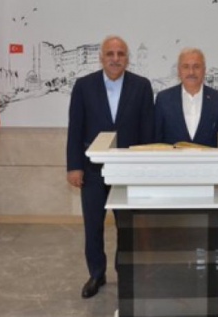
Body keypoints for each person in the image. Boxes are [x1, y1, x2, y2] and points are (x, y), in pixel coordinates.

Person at [66, 35, 154, 298]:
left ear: (127, 58)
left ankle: (125, 273)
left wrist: (145, 169)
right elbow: (75, 129)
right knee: (93, 225)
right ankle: (96, 273)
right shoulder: (84, 86)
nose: (115, 59)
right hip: (93, 170)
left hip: (128, 170)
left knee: (127, 226)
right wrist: (74, 166)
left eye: (120, 54)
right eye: (110, 54)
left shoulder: (141, 86)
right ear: (101, 57)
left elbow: (148, 131)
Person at [155, 48, 218, 147]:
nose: (191, 72)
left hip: (210, 157)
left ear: (204, 70)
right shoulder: (163, 99)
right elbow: (156, 141)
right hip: (173, 157)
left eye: (196, 67)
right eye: (186, 67)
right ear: (179, 71)